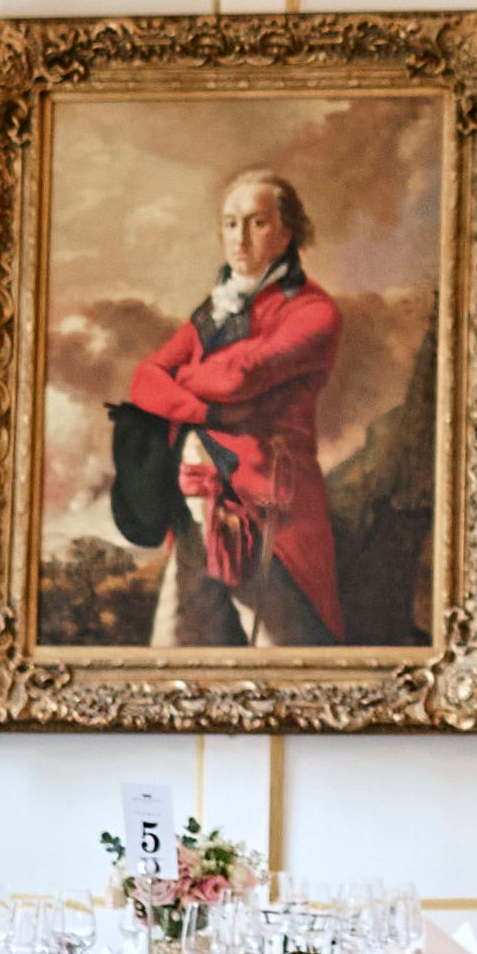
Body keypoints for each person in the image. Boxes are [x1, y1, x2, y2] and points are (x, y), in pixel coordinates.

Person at [124, 167, 347, 648]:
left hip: (268, 506)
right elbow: (144, 380)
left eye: (257, 223)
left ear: (288, 233)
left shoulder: (313, 311)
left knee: (280, 653)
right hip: (193, 502)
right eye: (230, 223)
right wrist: (207, 414)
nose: (239, 238)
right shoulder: (215, 309)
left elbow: (238, 376)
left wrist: (179, 383)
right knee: (178, 651)